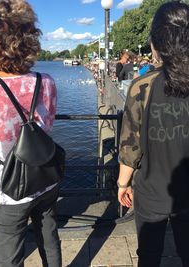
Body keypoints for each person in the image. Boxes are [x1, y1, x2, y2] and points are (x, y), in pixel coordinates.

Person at [0, 1, 61, 267]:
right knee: (50, 239)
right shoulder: (47, 82)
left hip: (5, 190)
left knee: (9, 256)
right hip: (45, 177)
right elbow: (48, 123)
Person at [117, 2, 189, 267]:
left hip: (151, 190)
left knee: (148, 255)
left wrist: (122, 184)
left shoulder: (142, 87)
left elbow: (130, 146)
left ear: (156, 45)